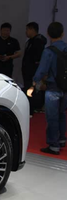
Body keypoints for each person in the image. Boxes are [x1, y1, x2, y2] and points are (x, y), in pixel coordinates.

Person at [28, 22, 67, 155]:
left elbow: (42, 70)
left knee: (52, 117)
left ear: (48, 34)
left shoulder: (48, 51)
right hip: (65, 88)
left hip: (53, 88)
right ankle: (62, 139)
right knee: (62, 114)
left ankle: (54, 145)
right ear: (62, 33)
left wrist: (34, 83)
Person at [22, 22, 47, 113]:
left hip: (33, 71)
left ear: (32, 29)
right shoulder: (29, 42)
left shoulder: (38, 42)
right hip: (27, 71)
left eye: (27, 29)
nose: (26, 32)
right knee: (28, 88)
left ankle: (33, 108)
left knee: (33, 90)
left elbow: (37, 58)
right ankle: (31, 107)